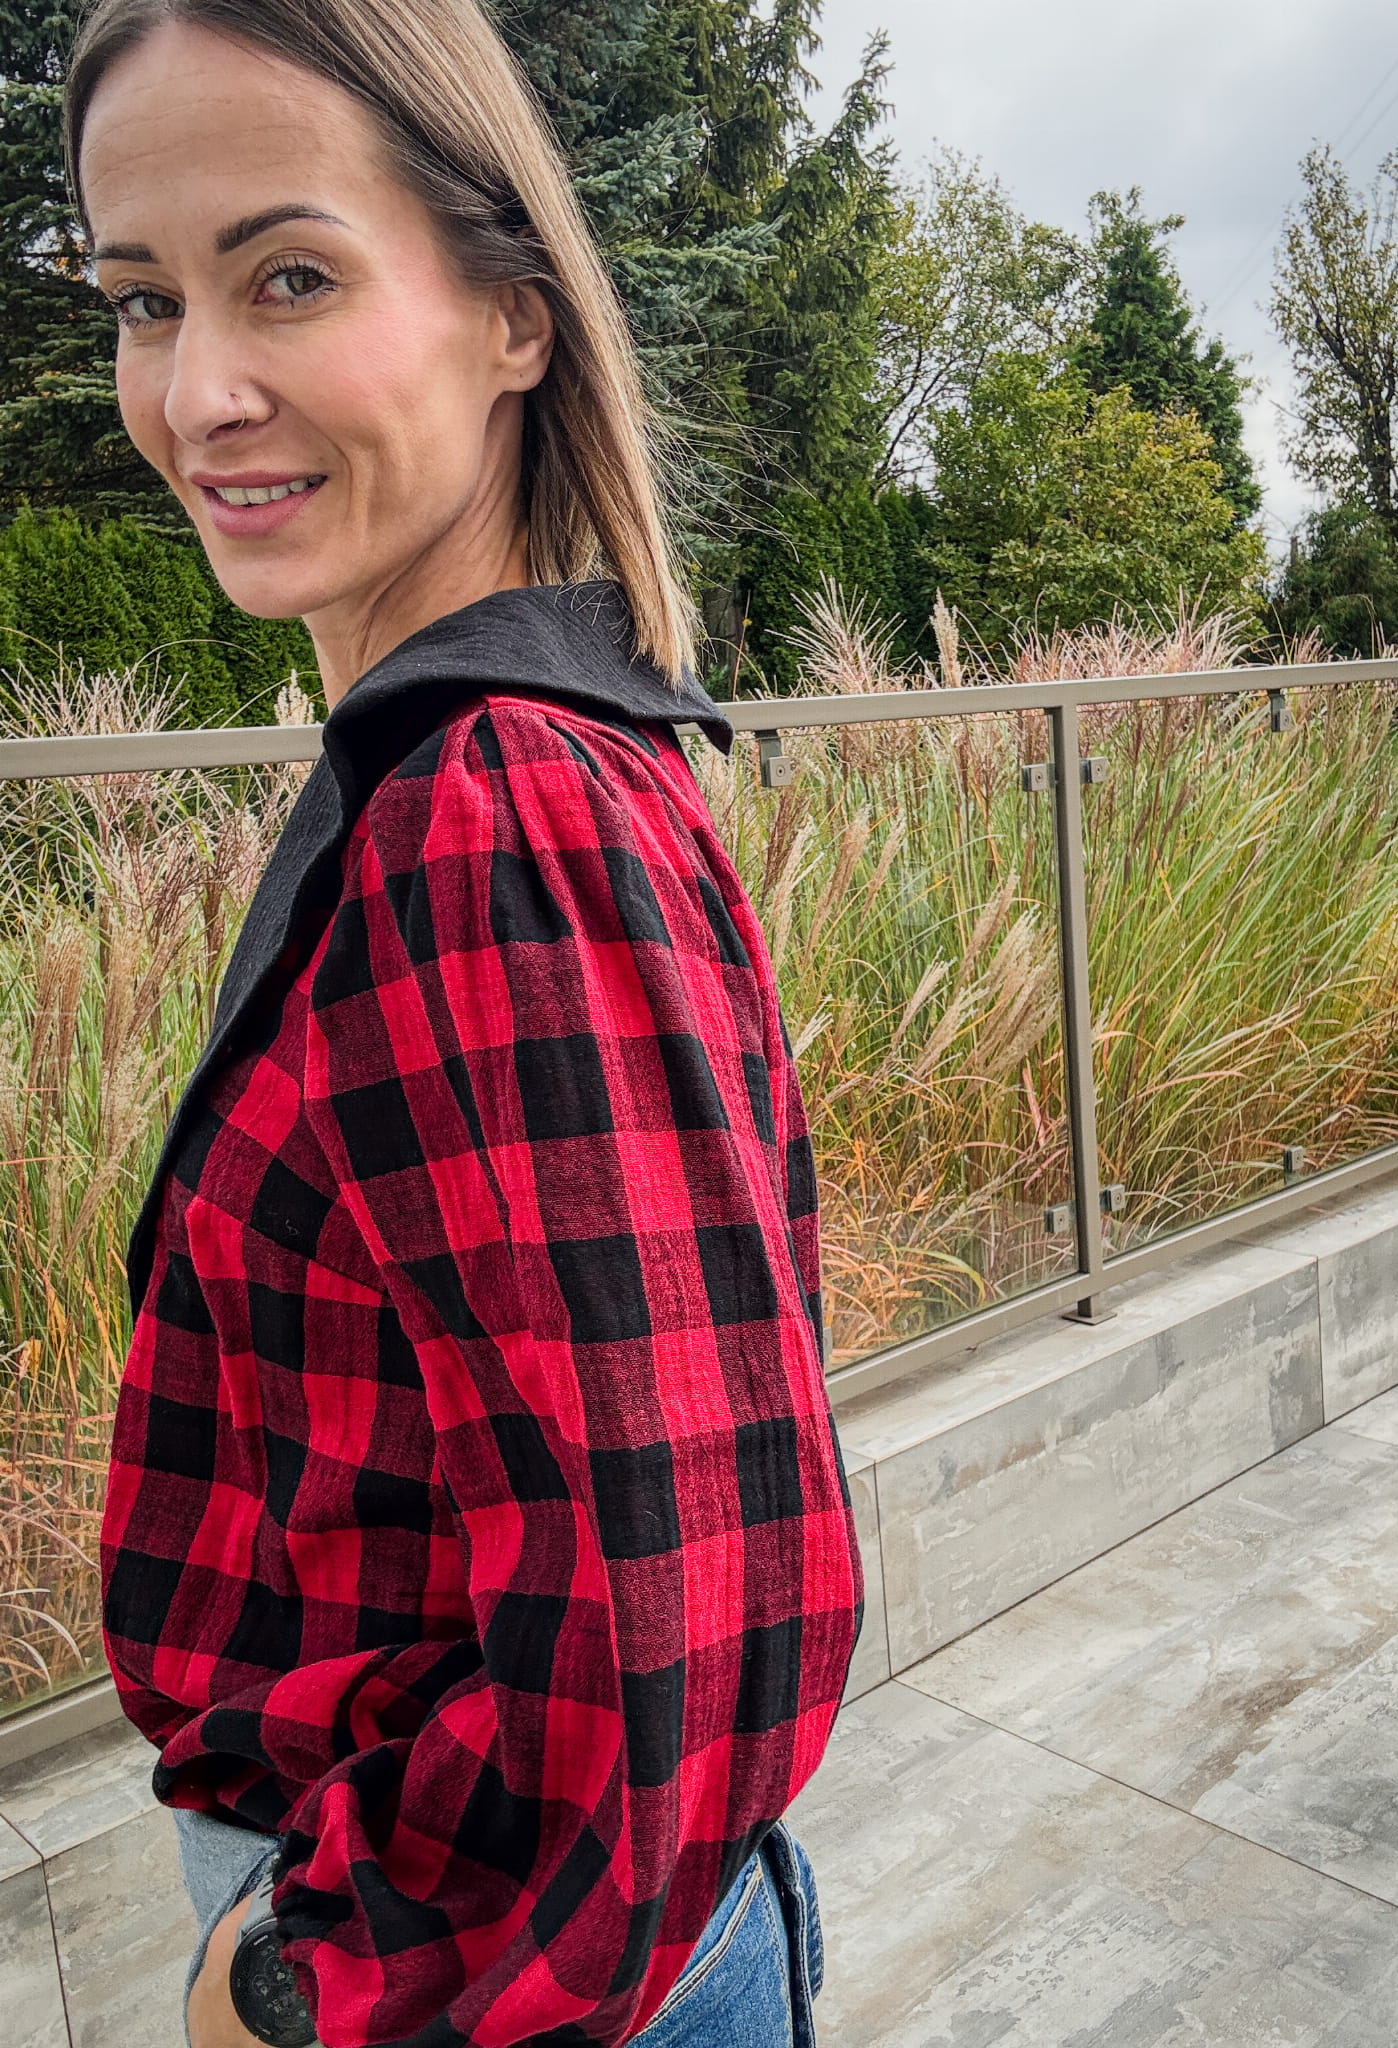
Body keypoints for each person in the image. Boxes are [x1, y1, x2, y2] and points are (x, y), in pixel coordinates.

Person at [62, 3, 864, 2043]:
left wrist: (292, 1988)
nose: (198, 390)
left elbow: (684, 1631)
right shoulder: (487, 758)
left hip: (479, 1976)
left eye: (290, 276)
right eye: (144, 300)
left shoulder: (494, 807)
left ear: (516, 315)